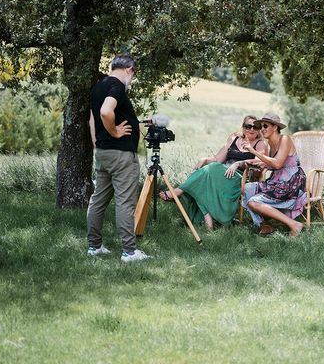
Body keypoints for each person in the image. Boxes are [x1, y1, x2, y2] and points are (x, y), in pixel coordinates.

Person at [87, 54, 150, 263]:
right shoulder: (117, 85)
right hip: (121, 155)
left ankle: (94, 247)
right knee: (125, 202)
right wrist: (114, 132)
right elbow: (106, 112)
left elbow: (92, 120)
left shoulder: (99, 86)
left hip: (103, 153)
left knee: (98, 200)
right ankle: (129, 252)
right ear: (130, 69)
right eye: (134, 74)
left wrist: (99, 143)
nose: (132, 78)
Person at [159, 116, 269, 229]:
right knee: (209, 171)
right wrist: (205, 159)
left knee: (211, 169)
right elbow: (217, 159)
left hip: (238, 177)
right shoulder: (234, 138)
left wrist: (238, 163)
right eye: (248, 126)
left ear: (259, 129)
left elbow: (259, 163)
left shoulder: (260, 144)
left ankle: (177, 191)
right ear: (243, 127)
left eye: (255, 127)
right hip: (221, 172)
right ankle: (208, 220)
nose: (251, 129)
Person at [241, 113, 307, 237]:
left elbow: (277, 164)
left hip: (291, 183)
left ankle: (294, 224)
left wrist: (254, 151)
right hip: (277, 180)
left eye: (265, 126)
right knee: (247, 188)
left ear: (275, 127)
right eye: (261, 127)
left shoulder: (285, 139)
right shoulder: (270, 144)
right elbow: (275, 165)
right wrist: (265, 165)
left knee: (253, 202)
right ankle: (264, 225)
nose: (262, 129)